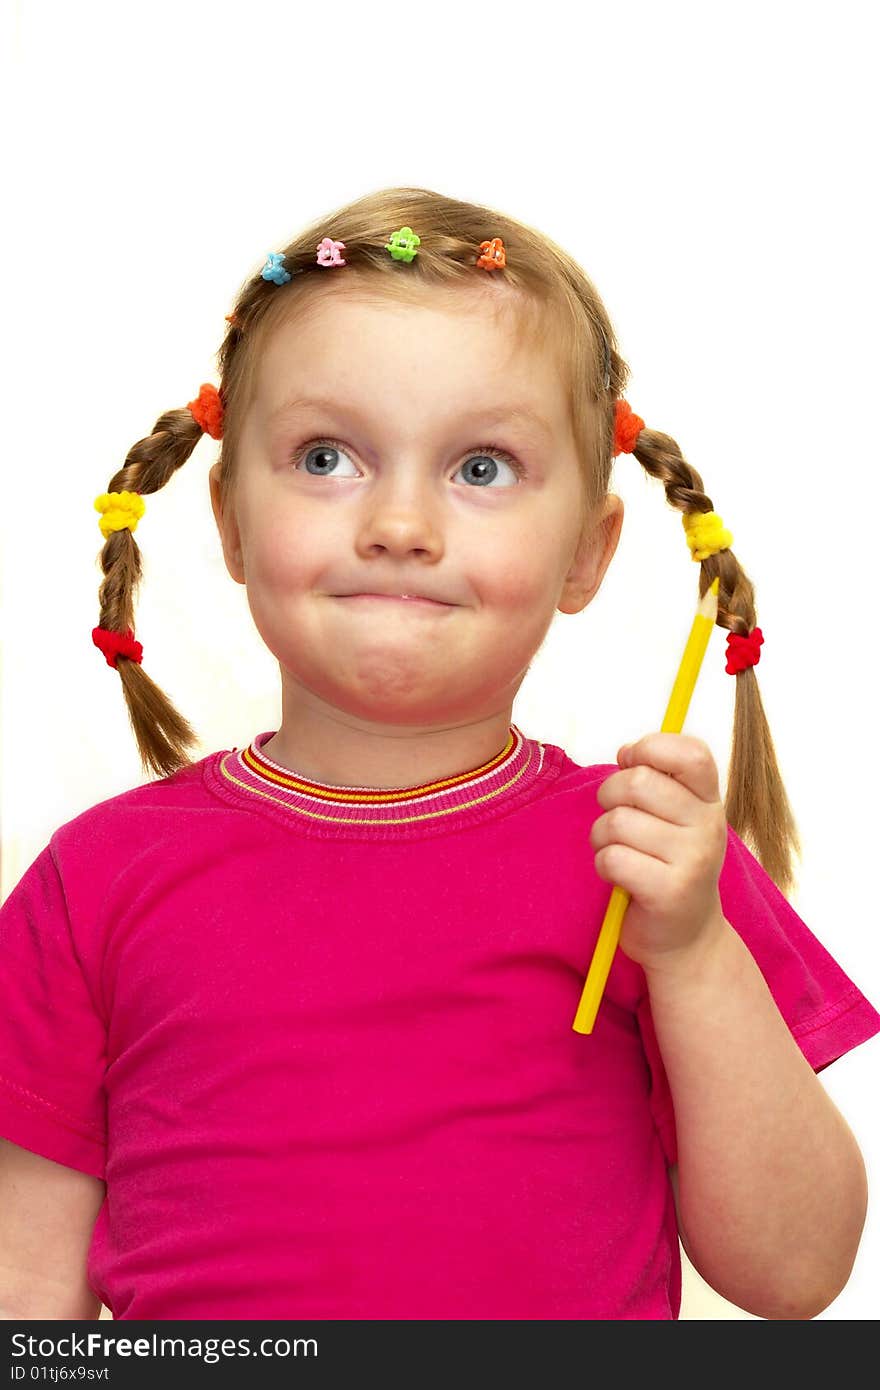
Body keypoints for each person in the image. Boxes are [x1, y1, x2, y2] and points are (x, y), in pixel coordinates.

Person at [1, 186, 877, 1323]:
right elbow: (27, 1289)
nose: (400, 523)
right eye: (326, 457)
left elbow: (796, 1273)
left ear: (586, 553)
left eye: (479, 469)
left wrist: (696, 951)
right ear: (225, 518)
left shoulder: (652, 867)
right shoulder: (93, 880)